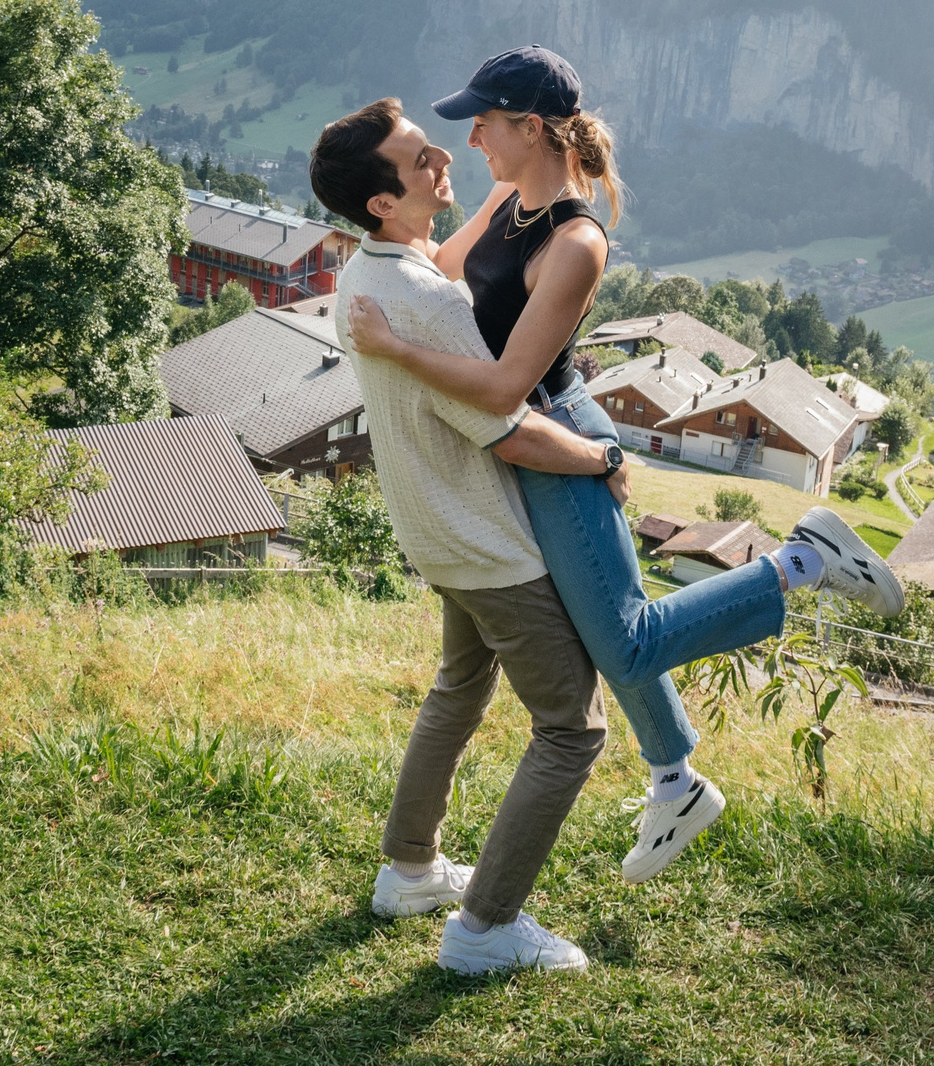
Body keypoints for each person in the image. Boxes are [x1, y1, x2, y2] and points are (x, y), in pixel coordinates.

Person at [348, 45, 904, 883]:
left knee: (628, 643)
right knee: (607, 625)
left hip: (555, 440)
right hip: (529, 444)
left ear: (533, 127)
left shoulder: (575, 242)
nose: (472, 140)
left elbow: (505, 386)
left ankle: (802, 561)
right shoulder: (507, 197)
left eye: (485, 122)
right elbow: (446, 269)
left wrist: (393, 348)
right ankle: (675, 780)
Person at [312, 97, 633, 976]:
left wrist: (506, 191)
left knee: (459, 685)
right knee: (571, 728)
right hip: (487, 543)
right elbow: (511, 429)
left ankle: (409, 870)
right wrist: (602, 455)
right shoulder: (425, 304)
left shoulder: (367, 273)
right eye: (421, 159)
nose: (444, 158)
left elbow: (451, 260)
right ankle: (486, 927)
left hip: (433, 530)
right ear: (383, 200)